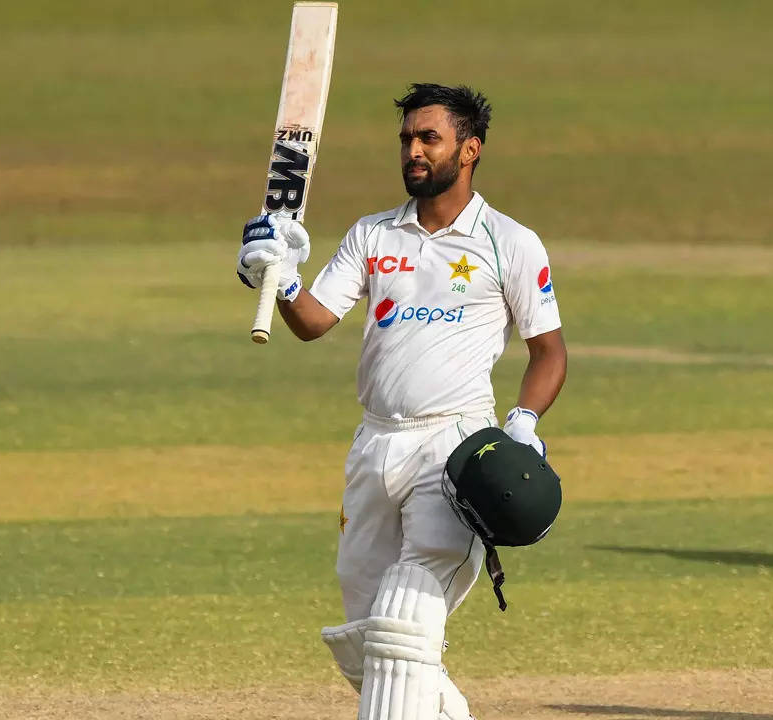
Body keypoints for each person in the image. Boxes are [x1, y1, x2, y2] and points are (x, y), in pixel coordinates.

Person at [236, 83, 567, 720]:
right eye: (407, 140)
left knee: (402, 629)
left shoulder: (509, 241)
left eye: (429, 139)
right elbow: (312, 321)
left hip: (455, 450)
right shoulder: (372, 234)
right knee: (371, 635)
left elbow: (549, 351)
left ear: (469, 149)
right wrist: (281, 278)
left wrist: (523, 423)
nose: (413, 151)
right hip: (375, 444)